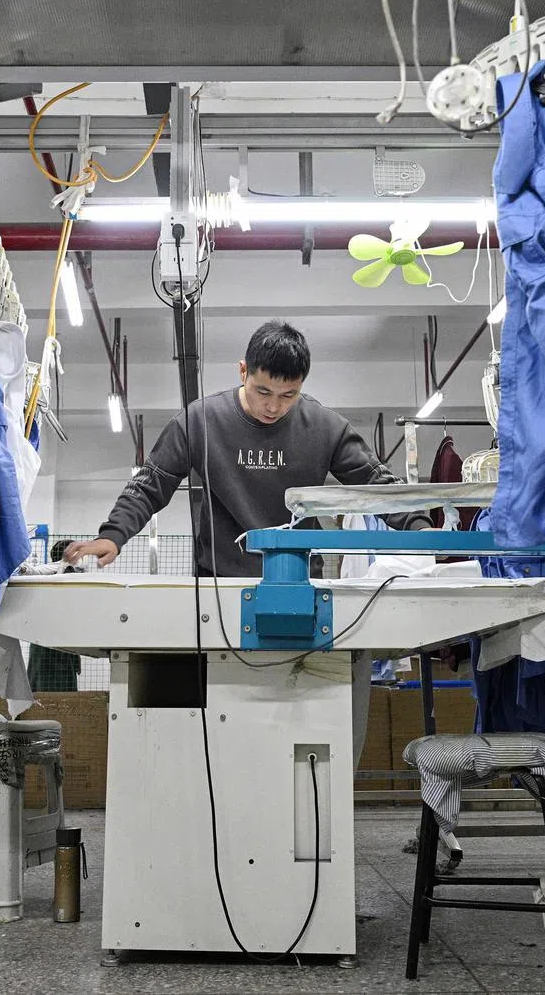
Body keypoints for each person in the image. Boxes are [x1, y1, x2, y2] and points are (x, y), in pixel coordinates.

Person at [64, 320, 432, 763]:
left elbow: (373, 483)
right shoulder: (201, 421)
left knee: (297, 717)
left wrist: (417, 524)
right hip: (218, 591)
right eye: (263, 391)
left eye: (288, 396)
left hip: (299, 591)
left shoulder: (324, 428)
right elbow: (152, 482)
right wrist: (113, 535)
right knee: (224, 723)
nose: (274, 407)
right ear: (243, 371)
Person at [26, 540, 83, 692]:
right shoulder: (60, 573)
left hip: (50, 643)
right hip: (51, 645)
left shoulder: (66, 575)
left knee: (44, 686)